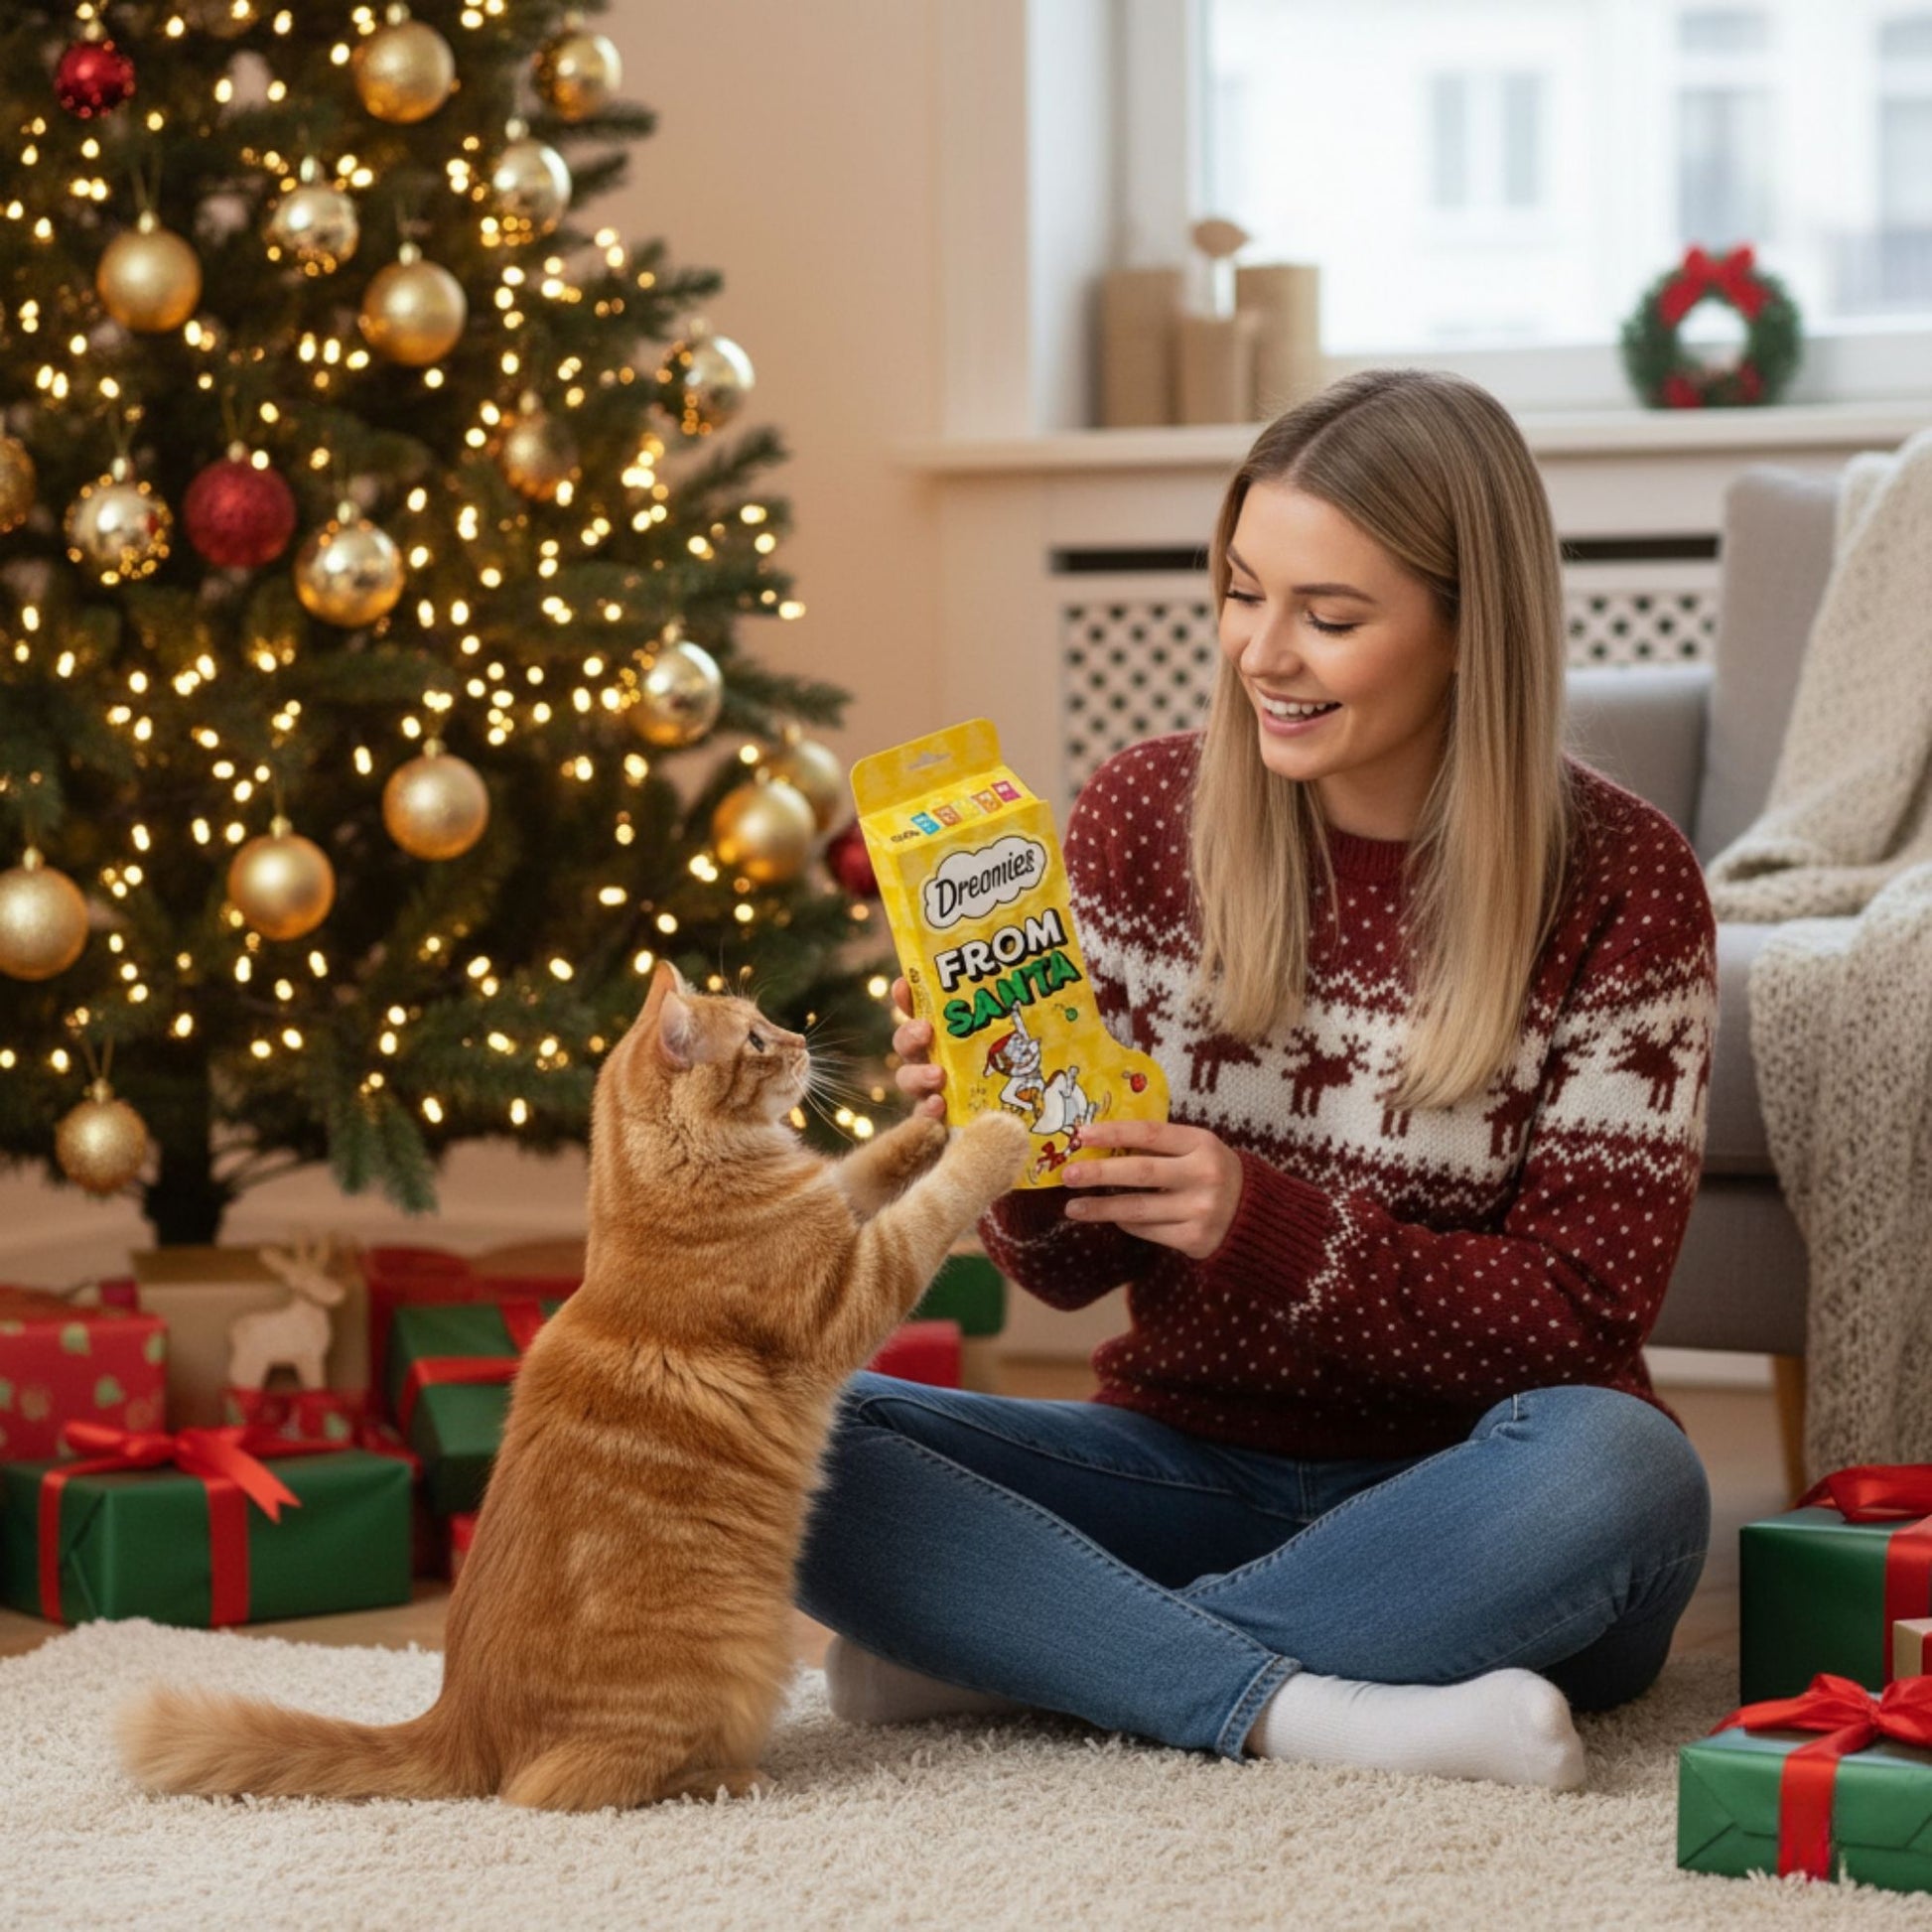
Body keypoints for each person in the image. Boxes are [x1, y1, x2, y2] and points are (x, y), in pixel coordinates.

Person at [794, 367, 1717, 1791]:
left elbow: (1573, 1319)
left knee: (1627, 1473)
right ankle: (1311, 1706)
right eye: (1240, 592)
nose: (1259, 652)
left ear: (1471, 629)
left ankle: (1053, 1654)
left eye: (1327, 616)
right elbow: (1060, 1271)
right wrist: (998, 1144)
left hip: (1480, 1502)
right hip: (1180, 1470)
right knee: (801, 1431)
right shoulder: (1140, 817)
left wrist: (1259, 1220)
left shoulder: (1623, 882)